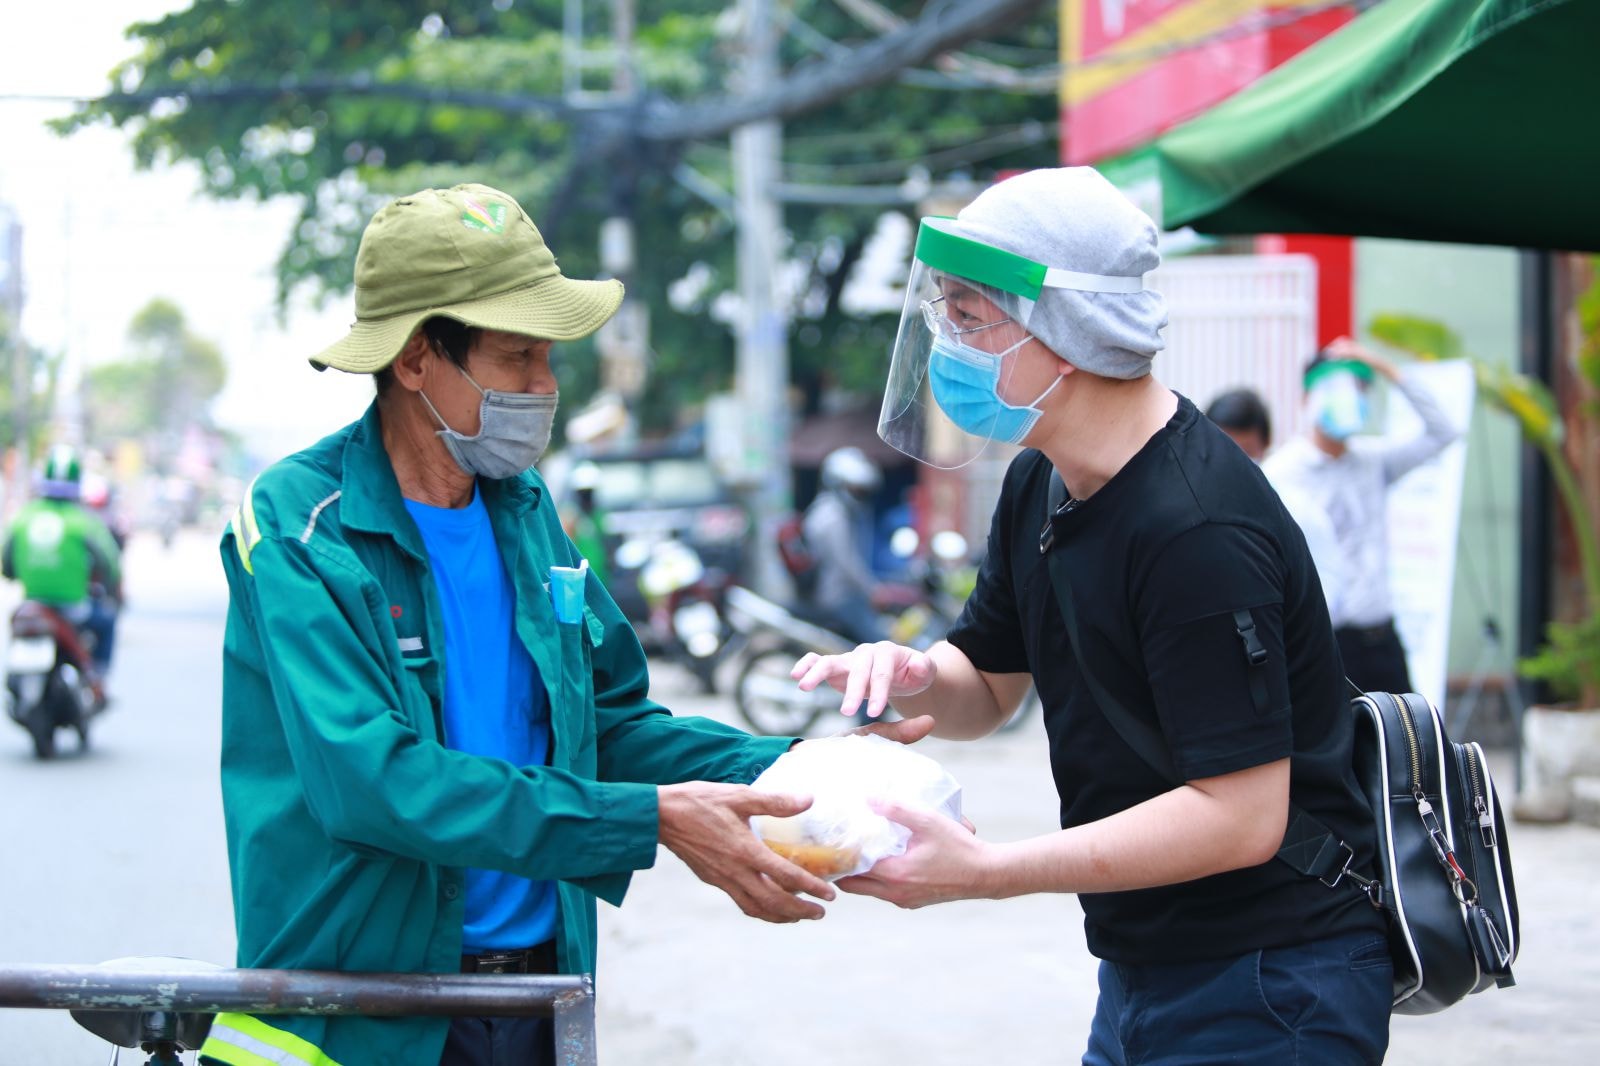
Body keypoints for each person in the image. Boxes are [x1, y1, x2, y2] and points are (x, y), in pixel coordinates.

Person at [204, 183, 927, 1066]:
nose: (545, 387)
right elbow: (374, 784)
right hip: (365, 1013)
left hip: (541, 996)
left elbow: (609, 725)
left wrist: (793, 769)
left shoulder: (524, 511)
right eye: (518, 358)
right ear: (416, 359)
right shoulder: (298, 524)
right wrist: (651, 821)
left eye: (548, 357)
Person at [792, 168, 1392, 1064]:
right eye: (944, 315)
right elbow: (988, 683)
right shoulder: (1044, 477)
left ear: (1064, 332)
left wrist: (988, 872)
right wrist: (915, 675)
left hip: (1272, 980)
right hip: (1146, 970)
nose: (947, 343)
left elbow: (1239, 816)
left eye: (969, 317)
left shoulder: (1196, 528)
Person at [1264, 337, 1460, 692]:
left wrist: (1384, 367)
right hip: (1326, 639)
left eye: (1357, 389)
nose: (1349, 398)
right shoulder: (1281, 473)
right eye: (1337, 389)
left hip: (1382, 635)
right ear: (1307, 399)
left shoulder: (1372, 461)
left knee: (1405, 738)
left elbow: (1443, 431)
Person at [1206, 387, 1345, 619]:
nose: (1233, 461)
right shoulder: (1184, 504)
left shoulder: (1294, 508)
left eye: (1245, 451)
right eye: (1223, 448)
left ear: (1265, 445)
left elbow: (1329, 584)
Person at [2, 444, 122, 697]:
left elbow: (6, 562)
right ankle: (96, 677)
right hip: (73, 607)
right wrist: (112, 588)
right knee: (107, 621)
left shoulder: (24, 517)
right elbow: (109, 564)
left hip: (31, 603)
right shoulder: (84, 520)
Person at [560, 460, 611, 586]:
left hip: (601, 576)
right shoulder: (570, 515)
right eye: (584, 492)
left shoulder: (598, 515)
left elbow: (605, 542)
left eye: (590, 492)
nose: (587, 496)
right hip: (580, 578)